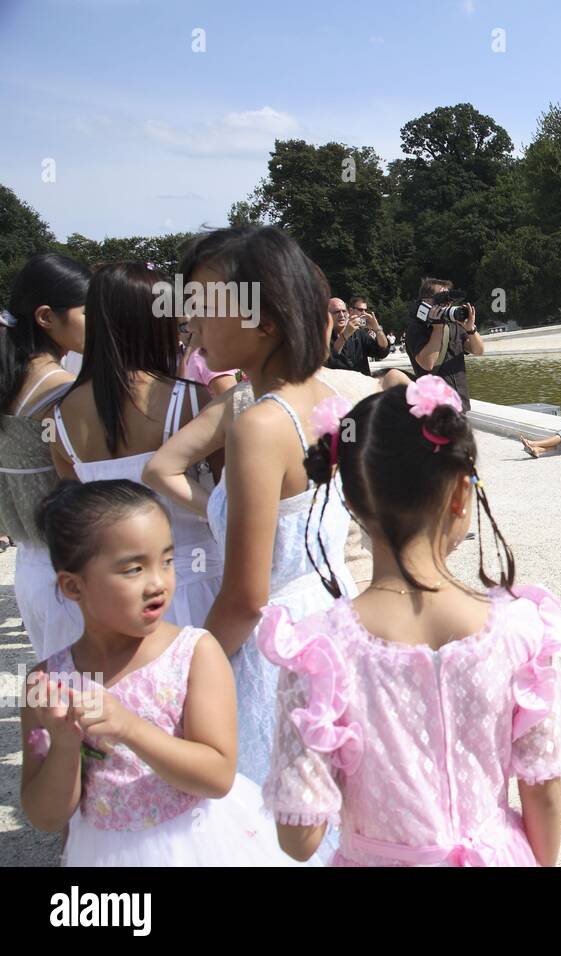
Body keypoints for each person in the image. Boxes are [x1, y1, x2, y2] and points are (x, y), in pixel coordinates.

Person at [258, 378, 561, 866]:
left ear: (352, 498)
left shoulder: (319, 651)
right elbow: (543, 791)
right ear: (460, 495)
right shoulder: (522, 632)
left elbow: (298, 838)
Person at [142, 226, 377, 790]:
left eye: (202, 305)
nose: (190, 322)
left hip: (276, 646)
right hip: (331, 612)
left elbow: (247, 598)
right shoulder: (324, 399)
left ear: (264, 317)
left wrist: (187, 678)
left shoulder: (258, 424)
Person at [19, 480, 290, 866]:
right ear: (73, 586)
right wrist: (64, 745)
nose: (158, 582)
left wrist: (129, 728)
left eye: (166, 560)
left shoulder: (196, 653)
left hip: (201, 844)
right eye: (133, 569)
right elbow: (45, 816)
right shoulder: (45, 685)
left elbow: (217, 777)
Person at [50, 262, 224, 629]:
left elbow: (73, 512)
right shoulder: (192, 403)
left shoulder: (61, 415)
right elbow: (230, 500)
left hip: (115, 601)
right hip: (196, 586)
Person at [0, 254, 90, 659]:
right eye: (88, 311)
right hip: (68, 569)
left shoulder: (11, 380)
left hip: (31, 568)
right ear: (45, 317)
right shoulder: (61, 390)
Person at [404, 277, 484, 409]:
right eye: (443, 298)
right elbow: (427, 364)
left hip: (459, 402)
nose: (448, 303)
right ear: (427, 301)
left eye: (449, 299)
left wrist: (470, 329)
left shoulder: (453, 324)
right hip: (435, 407)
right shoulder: (416, 328)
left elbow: (478, 350)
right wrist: (438, 329)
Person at [326, 297, 388, 377]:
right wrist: (345, 335)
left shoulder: (359, 334)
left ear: (348, 312)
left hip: (361, 385)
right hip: (338, 386)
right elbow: (329, 361)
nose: (341, 315)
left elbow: (382, 351)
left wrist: (377, 329)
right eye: (337, 312)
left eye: (344, 311)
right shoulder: (322, 337)